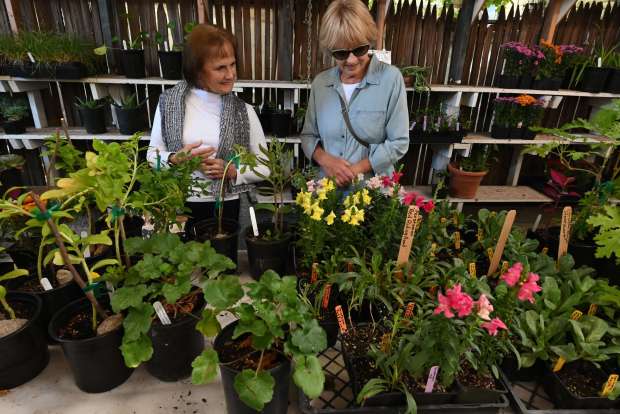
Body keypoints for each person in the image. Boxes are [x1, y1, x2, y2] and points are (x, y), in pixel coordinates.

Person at [147, 24, 268, 233]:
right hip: (180, 205)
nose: (231, 74)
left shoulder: (244, 112)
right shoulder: (168, 104)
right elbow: (152, 156)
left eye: (233, 65)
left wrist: (233, 171)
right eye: (221, 68)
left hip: (226, 206)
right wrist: (175, 159)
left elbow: (264, 166)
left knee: (223, 264)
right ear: (197, 70)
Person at [301, 0, 409, 187]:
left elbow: (399, 142)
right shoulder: (321, 84)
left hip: (374, 194)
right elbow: (308, 136)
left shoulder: (390, 80)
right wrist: (327, 161)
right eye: (341, 53)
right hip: (328, 196)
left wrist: (354, 169)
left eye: (359, 49)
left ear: (369, 40)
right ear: (330, 50)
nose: (351, 60)